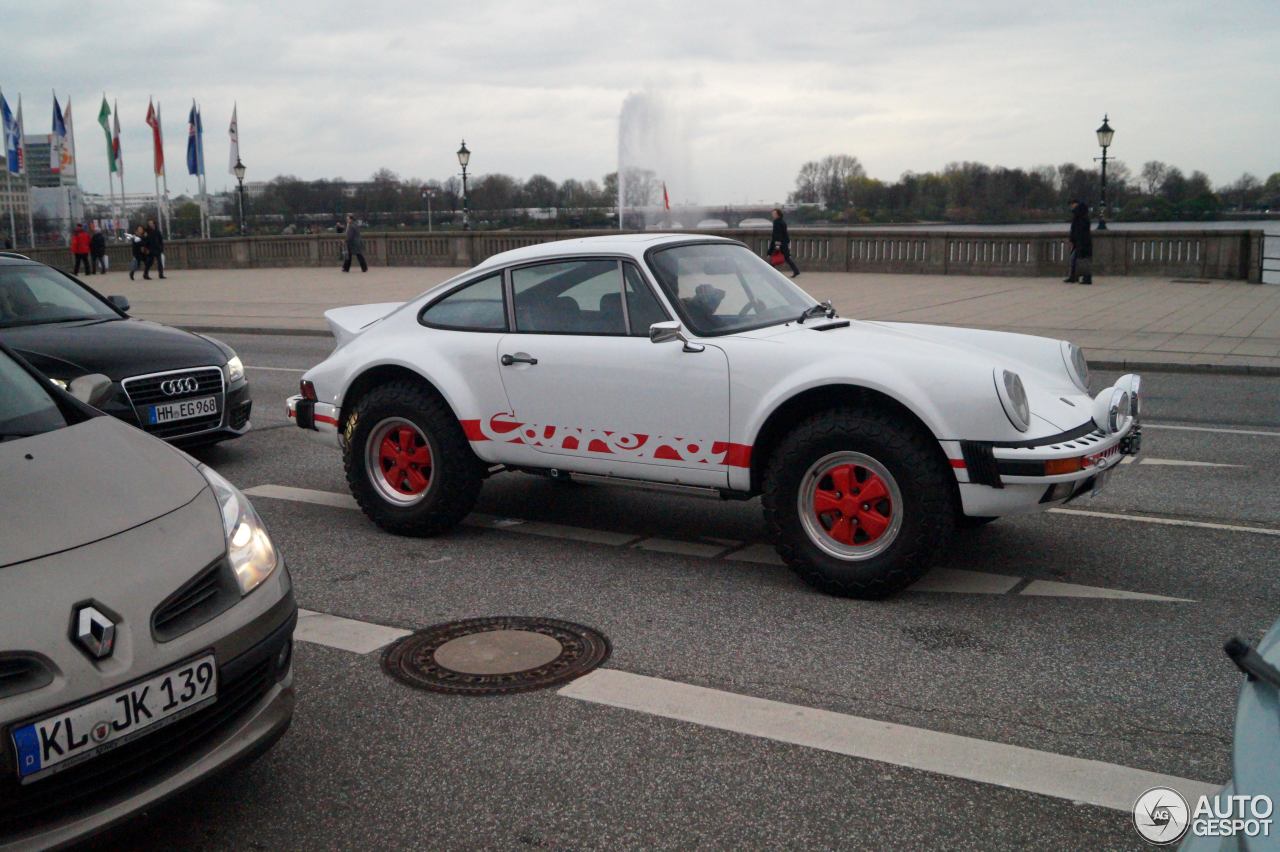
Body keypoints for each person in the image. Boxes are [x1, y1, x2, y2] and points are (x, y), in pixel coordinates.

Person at [1065, 200, 1093, 285]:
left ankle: (1078, 277)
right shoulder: (1084, 218)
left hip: (1080, 243)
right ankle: (1077, 276)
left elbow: (1077, 231)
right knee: (1079, 259)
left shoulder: (1078, 218)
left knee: (1077, 259)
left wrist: (1073, 240)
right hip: (1082, 242)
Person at [768, 208, 800, 277]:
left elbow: (778, 234)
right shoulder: (782, 222)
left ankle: (769, 272)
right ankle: (796, 270)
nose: (773, 215)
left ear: (778, 215)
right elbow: (784, 233)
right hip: (784, 243)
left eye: (774, 214)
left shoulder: (777, 222)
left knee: (773, 257)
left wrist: (777, 245)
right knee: (786, 258)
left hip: (779, 243)